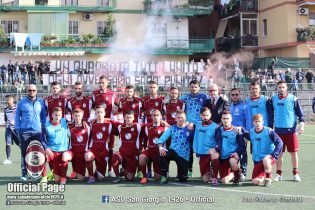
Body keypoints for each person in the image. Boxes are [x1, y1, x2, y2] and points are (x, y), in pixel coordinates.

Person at [271, 81, 304, 182]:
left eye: (283, 87)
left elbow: (300, 114)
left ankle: (295, 174)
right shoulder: (273, 99)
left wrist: (301, 125)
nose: (281, 89)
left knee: (293, 153)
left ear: (286, 88)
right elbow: (270, 113)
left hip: (291, 131)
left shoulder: (293, 99)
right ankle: (279, 174)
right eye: (279, 87)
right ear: (277, 88)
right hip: (278, 131)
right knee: (280, 154)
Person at [15, 84, 46, 181]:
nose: (31, 92)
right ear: (27, 91)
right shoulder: (21, 102)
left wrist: (43, 128)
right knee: (24, 153)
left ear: (36, 91)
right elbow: (17, 116)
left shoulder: (41, 102)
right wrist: (18, 128)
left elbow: (44, 116)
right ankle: (24, 173)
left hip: (37, 131)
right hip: (24, 132)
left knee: (38, 153)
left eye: (33, 90)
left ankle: (37, 173)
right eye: (29, 90)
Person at [244, 114, 283, 187]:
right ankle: (263, 175)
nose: (258, 123)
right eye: (256, 121)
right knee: (255, 182)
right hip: (257, 160)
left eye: (259, 121)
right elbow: (246, 137)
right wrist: (240, 130)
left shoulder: (269, 131)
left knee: (266, 159)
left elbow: (280, 143)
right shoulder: (251, 131)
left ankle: (268, 178)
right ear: (253, 123)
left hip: (268, 158)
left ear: (263, 122)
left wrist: (274, 155)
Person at [157, 110, 194, 183]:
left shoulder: (190, 128)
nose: (180, 119)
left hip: (184, 155)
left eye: (182, 117)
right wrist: (161, 148)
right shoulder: (172, 128)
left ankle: (184, 173)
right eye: (178, 117)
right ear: (175, 119)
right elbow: (161, 139)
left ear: (185, 118)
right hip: (173, 151)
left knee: (183, 179)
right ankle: (164, 175)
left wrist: (192, 128)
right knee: (163, 154)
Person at [180, 80, 208, 178]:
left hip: (200, 126)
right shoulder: (185, 97)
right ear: (189, 87)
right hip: (189, 126)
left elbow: (212, 104)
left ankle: (204, 171)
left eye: (195, 87)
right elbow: (176, 99)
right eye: (192, 86)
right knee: (189, 149)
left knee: (201, 148)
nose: (193, 88)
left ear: (199, 87)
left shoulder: (204, 97)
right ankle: (189, 169)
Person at [91, 76, 118, 176]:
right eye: (100, 82)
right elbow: (92, 107)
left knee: (110, 146)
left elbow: (119, 105)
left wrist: (116, 112)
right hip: (98, 124)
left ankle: (110, 168)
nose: (101, 84)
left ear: (107, 83)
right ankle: (98, 169)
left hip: (108, 124)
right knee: (98, 146)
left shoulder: (112, 94)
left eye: (103, 82)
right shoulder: (95, 94)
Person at [214, 111, 246, 185]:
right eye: (224, 118)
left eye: (227, 118)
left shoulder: (237, 131)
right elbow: (216, 142)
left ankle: (237, 174)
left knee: (232, 161)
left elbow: (242, 146)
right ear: (221, 119)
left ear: (231, 119)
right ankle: (237, 173)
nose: (225, 120)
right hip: (222, 158)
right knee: (224, 180)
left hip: (232, 157)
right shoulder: (218, 130)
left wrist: (237, 152)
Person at [111, 111, 143, 183]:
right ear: (124, 118)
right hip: (122, 154)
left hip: (133, 155)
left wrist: (162, 121)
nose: (129, 119)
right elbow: (111, 121)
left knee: (130, 178)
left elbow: (149, 124)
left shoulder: (138, 126)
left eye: (130, 117)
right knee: (114, 157)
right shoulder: (120, 126)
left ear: (133, 118)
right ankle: (117, 176)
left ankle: (124, 170)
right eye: (127, 117)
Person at [85, 105, 114, 183]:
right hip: (93, 149)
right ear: (95, 114)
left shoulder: (110, 124)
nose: (99, 114)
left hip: (104, 151)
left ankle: (97, 171)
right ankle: (91, 176)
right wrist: (84, 121)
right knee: (88, 156)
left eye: (101, 112)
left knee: (100, 178)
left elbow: (112, 136)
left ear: (104, 113)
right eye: (97, 112)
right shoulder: (92, 124)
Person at [40, 107, 69, 184]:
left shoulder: (65, 122)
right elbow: (42, 139)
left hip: (63, 151)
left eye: (59, 115)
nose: (57, 117)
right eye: (56, 115)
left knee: (65, 157)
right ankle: (44, 177)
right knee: (42, 155)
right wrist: (46, 148)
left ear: (62, 115)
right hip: (52, 151)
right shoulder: (46, 126)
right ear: (52, 115)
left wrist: (84, 122)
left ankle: (63, 177)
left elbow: (77, 121)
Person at [139, 109, 168, 184]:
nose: (156, 117)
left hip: (159, 152)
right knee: (141, 157)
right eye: (154, 115)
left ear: (161, 116)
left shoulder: (166, 127)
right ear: (151, 117)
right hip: (150, 150)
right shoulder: (146, 127)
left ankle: (161, 173)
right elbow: (138, 130)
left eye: (158, 115)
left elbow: (174, 130)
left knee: (157, 178)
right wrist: (142, 146)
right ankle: (144, 177)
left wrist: (167, 123)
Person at [193, 107, 220, 185]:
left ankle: (214, 176)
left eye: (207, 115)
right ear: (200, 115)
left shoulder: (215, 126)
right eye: (204, 115)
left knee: (215, 157)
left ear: (210, 115)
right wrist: (195, 150)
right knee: (205, 179)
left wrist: (215, 149)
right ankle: (210, 171)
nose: (205, 117)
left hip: (210, 152)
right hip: (201, 152)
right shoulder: (197, 125)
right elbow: (196, 137)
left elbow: (219, 140)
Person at [62, 108, 90, 183]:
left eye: (79, 116)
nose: (77, 118)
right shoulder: (69, 126)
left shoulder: (87, 127)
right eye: (76, 116)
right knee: (65, 156)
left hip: (83, 153)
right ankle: (64, 177)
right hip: (73, 152)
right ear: (73, 116)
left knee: (80, 179)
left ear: (82, 116)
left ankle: (88, 174)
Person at [229, 88, 251, 181]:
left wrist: (247, 134)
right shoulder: (230, 106)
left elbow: (248, 120)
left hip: (241, 134)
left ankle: (243, 172)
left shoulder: (245, 106)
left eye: (236, 94)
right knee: (232, 152)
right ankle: (234, 172)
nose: (234, 96)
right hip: (231, 134)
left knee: (242, 153)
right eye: (233, 95)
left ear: (240, 95)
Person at [3, 95, 20, 164]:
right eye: (7, 100)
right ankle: (8, 159)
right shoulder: (5, 109)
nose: (8, 101)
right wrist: (7, 126)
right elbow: (6, 120)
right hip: (8, 129)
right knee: (8, 144)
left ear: (13, 100)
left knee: (20, 144)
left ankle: (26, 156)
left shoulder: (17, 108)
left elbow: (20, 118)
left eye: (9, 100)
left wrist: (15, 123)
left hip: (16, 130)